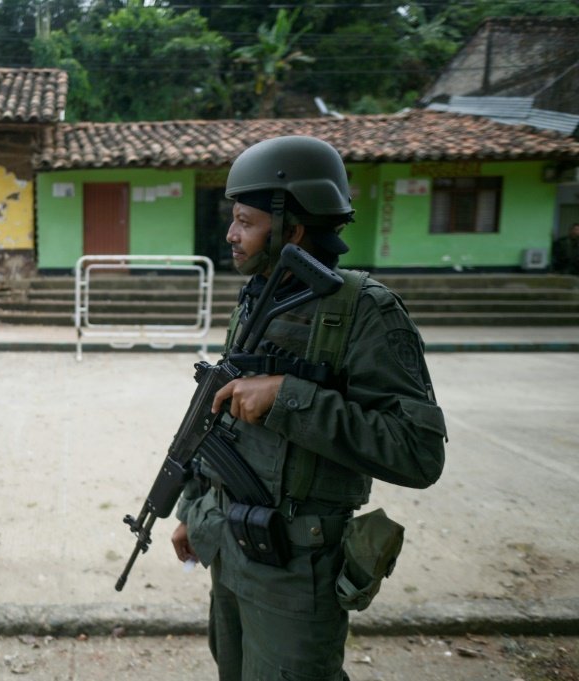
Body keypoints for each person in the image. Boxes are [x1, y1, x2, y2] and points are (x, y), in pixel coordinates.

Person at [170, 135, 447, 680]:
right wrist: (191, 507)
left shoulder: (366, 312)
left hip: (296, 567)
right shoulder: (257, 299)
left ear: (291, 228)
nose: (230, 234)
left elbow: (418, 454)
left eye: (245, 221)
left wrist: (287, 398)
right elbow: (219, 419)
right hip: (228, 543)